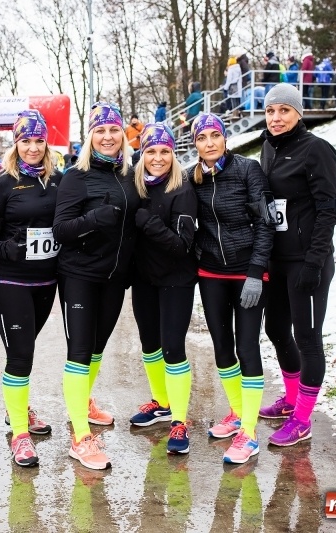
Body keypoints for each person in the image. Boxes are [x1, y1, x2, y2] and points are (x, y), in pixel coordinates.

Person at [52, 101, 138, 470]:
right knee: (79, 352)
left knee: (98, 349)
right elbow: (61, 229)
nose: (107, 136)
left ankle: (83, 403)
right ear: (90, 137)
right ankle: (80, 436)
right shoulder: (76, 176)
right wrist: (95, 218)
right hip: (79, 277)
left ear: (123, 135)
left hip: (114, 279)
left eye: (113, 130)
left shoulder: (129, 175)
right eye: (100, 131)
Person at [0, 110, 61, 467]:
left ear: (46, 143)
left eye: (38, 140)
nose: (32, 147)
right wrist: (4, 249)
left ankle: (18, 409)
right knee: (20, 356)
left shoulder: (58, 179)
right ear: (16, 143)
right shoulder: (3, 182)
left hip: (46, 280)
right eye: (25, 140)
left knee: (26, 349)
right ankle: (20, 436)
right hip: (9, 280)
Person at [258, 84, 336, 447]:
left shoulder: (317, 149)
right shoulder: (268, 148)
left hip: (307, 262)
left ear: (299, 113)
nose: (276, 118)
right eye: (271, 111)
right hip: (276, 259)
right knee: (276, 330)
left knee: (307, 338)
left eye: (284, 111)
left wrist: (315, 261)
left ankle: (303, 419)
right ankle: (291, 399)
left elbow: (327, 211)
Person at [191, 113, 274, 464]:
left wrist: (256, 272)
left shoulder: (247, 170)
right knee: (223, 348)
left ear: (225, 138)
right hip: (211, 273)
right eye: (201, 138)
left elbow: (265, 223)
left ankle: (250, 433)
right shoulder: (193, 178)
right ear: (194, 144)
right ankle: (238, 412)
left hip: (247, 273)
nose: (209, 143)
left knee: (247, 347)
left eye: (215, 135)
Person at [128, 123, 197, 455]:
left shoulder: (182, 189)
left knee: (172, 349)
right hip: (144, 279)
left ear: (173, 153)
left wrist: (148, 222)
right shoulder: (136, 186)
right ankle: (162, 401)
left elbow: (182, 245)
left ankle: (179, 421)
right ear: (142, 153)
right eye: (151, 151)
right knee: (149, 345)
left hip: (176, 280)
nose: (158, 158)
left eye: (165, 151)